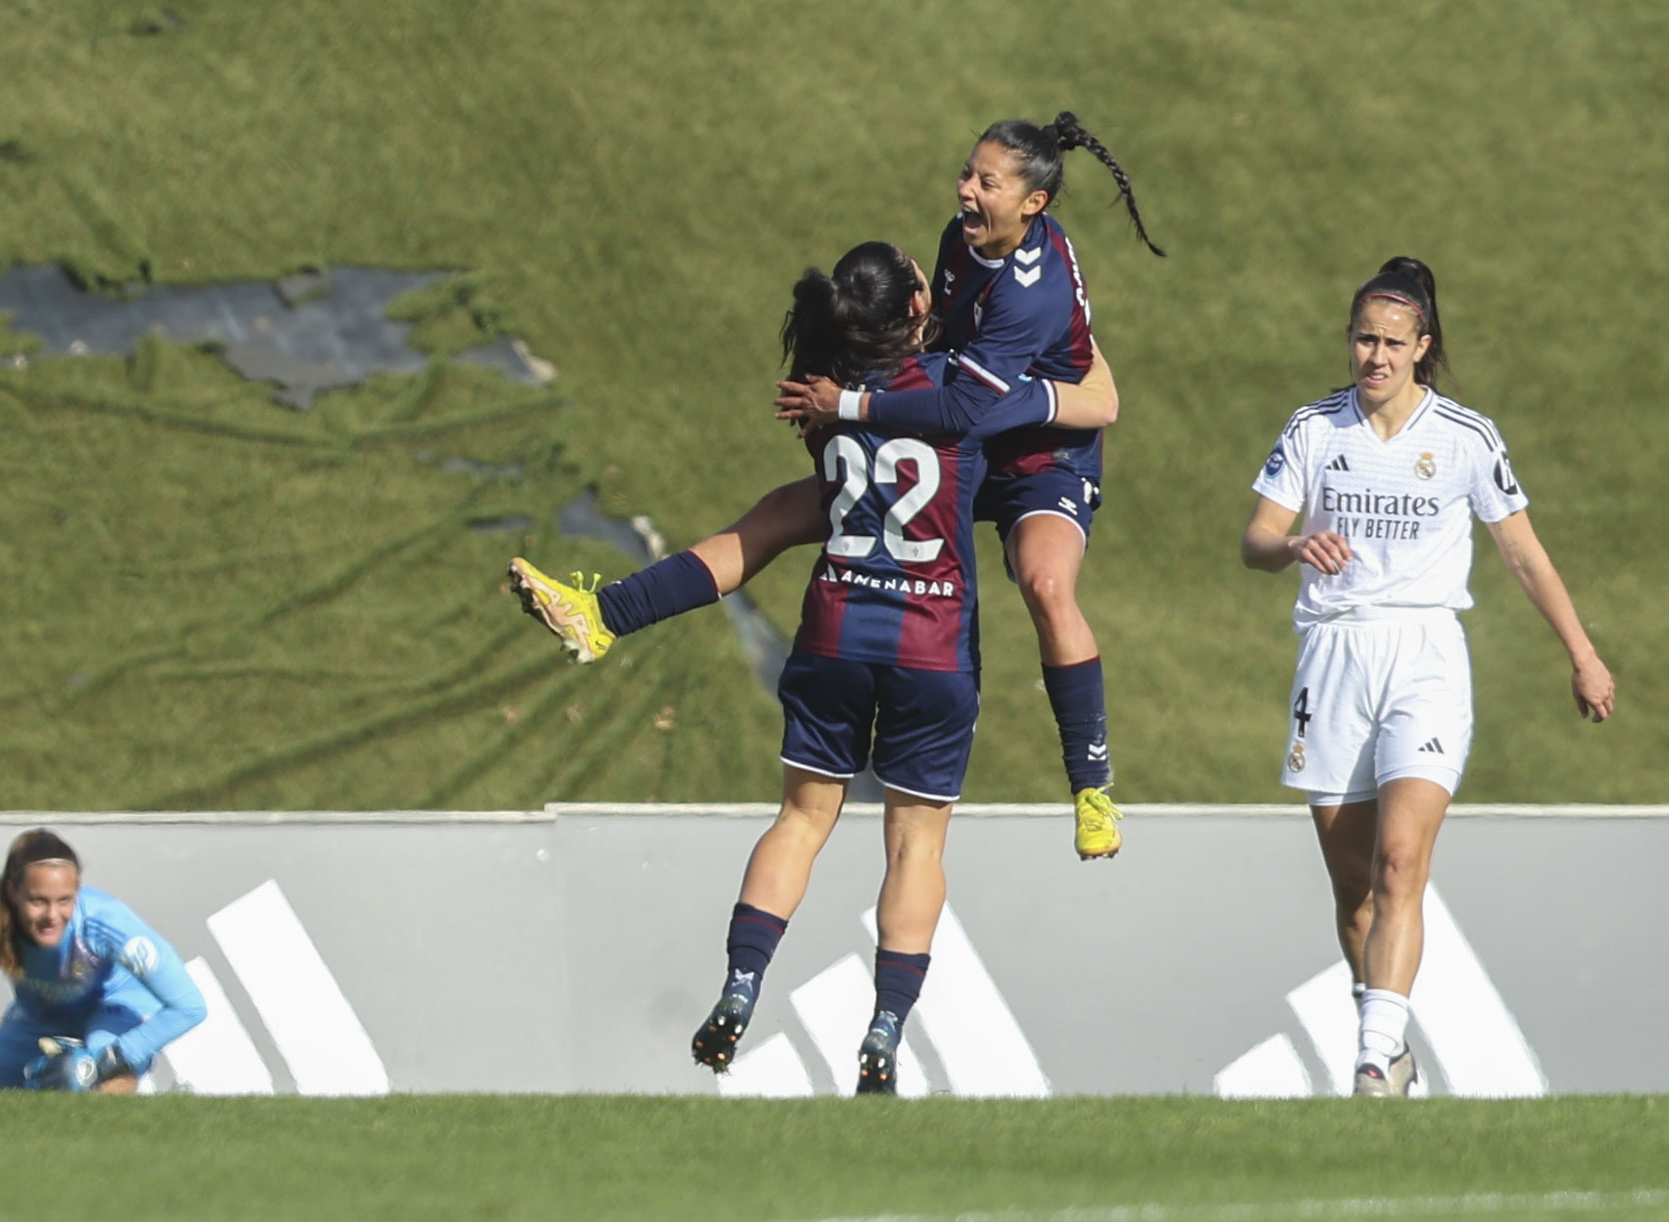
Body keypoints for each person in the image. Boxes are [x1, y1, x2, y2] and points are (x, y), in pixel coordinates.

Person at [511, 110, 1161, 861]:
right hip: (961, 438)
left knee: (1045, 584)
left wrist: (845, 404)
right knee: (785, 511)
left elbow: (1033, 402)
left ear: (1033, 203)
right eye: (966, 171)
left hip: (1040, 450)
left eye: (987, 181)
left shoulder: (1033, 289)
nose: (964, 189)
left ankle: (1091, 789)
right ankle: (601, 617)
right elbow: (943, 356)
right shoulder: (964, 238)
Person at [689, 240, 1075, 1094]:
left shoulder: (820, 402)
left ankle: (742, 982)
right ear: (914, 310)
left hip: (833, 628)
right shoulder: (960, 400)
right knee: (914, 845)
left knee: (799, 820)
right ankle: (883, 1030)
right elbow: (1088, 405)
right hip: (930, 647)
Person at [1240, 256, 1615, 1098]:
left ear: (1422, 348)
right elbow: (1255, 539)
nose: (1374, 356)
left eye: (1391, 343)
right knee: (1352, 889)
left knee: (1400, 862)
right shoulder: (1312, 429)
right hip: (1334, 655)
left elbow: (1521, 551)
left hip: (1423, 656)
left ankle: (1372, 1058)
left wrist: (1581, 653)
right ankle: (1390, 1042)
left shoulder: (1464, 438)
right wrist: (1295, 544)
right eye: (1363, 339)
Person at [0, 828, 207, 1093]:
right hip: (38, 1014)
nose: (52, 916)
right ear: (13, 892)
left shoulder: (105, 923)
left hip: (117, 1007)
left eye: (65, 900)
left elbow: (190, 1005)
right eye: (38, 901)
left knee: (82, 1081)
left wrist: (109, 1060)